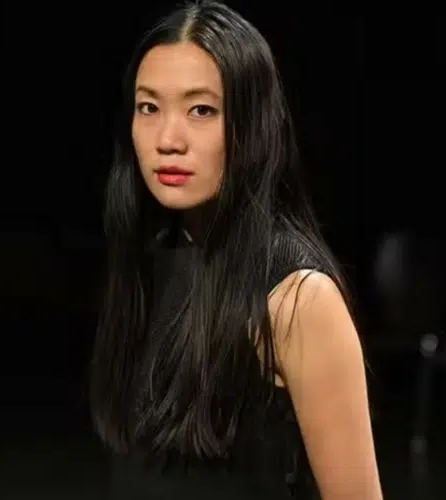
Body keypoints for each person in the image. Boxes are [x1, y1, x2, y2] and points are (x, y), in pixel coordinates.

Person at [89, 1, 382, 498]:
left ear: (251, 124)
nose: (168, 139)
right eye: (149, 107)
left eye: (201, 110)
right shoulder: (145, 262)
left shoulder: (296, 297)